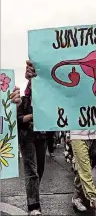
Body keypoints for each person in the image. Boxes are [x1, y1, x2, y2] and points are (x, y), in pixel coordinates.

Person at [25, 67, 96, 216]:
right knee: (85, 170)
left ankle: (76, 197)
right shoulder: (70, 87)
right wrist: (33, 79)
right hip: (75, 134)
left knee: (82, 169)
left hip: (94, 135)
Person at [17, 80, 47, 216]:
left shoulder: (46, 102)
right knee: (31, 171)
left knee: (39, 169)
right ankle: (33, 206)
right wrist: (32, 117)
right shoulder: (23, 101)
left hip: (41, 137)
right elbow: (17, 119)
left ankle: (33, 193)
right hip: (26, 137)